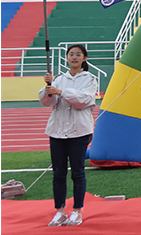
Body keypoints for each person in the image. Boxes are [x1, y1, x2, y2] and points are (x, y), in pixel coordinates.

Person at [40, 44, 99, 227]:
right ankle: (59, 211)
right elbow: (47, 102)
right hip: (57, 131)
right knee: (58, 173)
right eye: (71, 54)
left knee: (77, 172)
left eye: (78, 54)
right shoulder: (59, 79)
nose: (74, 57)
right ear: (66, 58)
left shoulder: (90, 79)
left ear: (84, 58)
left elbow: (83, 100)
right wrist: (48, 87)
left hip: (79, 132)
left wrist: (60, 92)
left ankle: (77, 210)